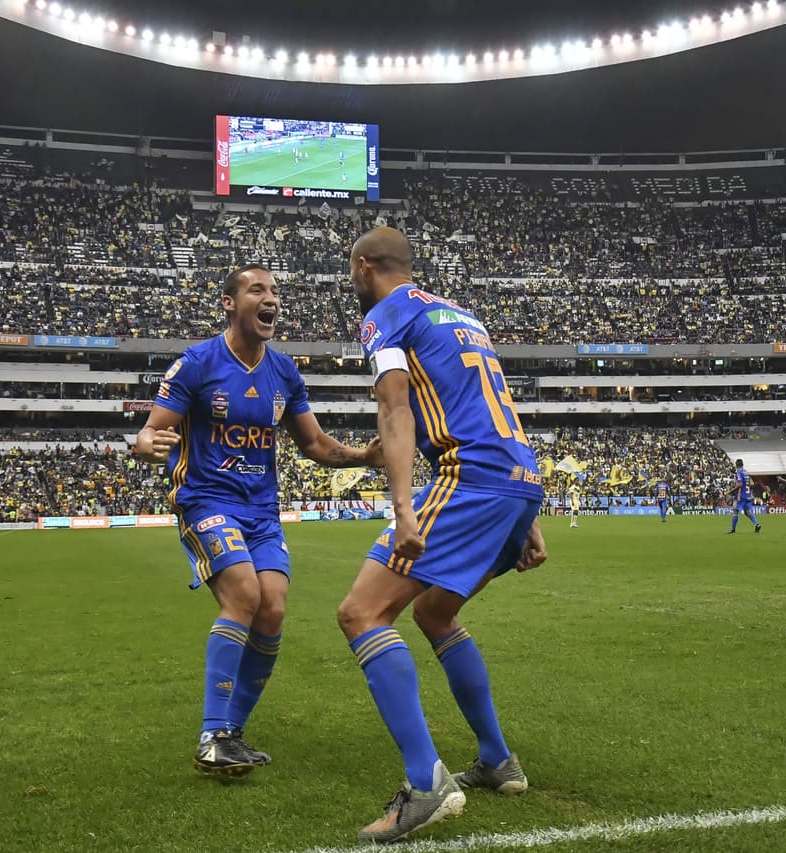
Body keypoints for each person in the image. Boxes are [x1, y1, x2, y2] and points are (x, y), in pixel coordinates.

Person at [336, 227, 547, 844]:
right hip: (515, 478)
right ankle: (496, 760)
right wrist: (526, 512)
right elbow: (492, 404)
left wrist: (403, 507)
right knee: (434, 613)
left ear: (363, 265)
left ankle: (426, 785)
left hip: (469, 479)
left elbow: (395, 409)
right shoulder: (463, 317)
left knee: (362, 613)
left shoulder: (385, 316)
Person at [133, 263, 380, 777]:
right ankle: (211, 733)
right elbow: (150, 433)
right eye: (257, 290)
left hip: (262, 510)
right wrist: (147, 445)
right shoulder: (197, 364)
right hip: (206, 501)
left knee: (272, 610)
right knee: (244, 593)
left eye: (275, 291)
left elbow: (312, 444)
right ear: (230, 303)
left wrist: (364, 457)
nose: (271, 299)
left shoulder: (284, 372)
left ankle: (230, 734)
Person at [727, 459, 761, 533]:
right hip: (748, 495)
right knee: (747, 512)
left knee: (735, 511)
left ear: (736, 465)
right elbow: (750, 484)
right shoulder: (746, 472)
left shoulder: (739, 472)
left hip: (741, 495)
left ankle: (733, 530)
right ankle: (757, 524)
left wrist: (730, 491)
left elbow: (740, 485)